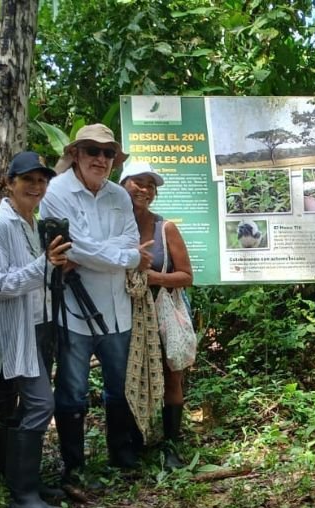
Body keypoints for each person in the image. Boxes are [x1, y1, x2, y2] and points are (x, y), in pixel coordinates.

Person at [40, 124, 153, 489]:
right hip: (73, 307)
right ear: (76, 154)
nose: (100, 159)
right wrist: (123, 257)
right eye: (92, 151)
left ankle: (121, 453)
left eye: (107, 154)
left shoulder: (119, 195)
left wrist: (102, 252)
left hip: (117, 307)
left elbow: (128, 240)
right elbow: (71, 247)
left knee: (118, 387)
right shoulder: (55, 192)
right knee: (72, 390)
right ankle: (73, 466)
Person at [0, 151, 71, 508]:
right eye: (28, 179)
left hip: (36, 325)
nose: (36, 186)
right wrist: (44, 264)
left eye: (42, 180)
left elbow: (37, 275)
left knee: (27, 406)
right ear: (9, 183)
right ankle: (23, 494)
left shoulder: (32, 220)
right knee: (40, 404)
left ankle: (24, 481)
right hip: (12, 329)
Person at [121, 162, 194, 469]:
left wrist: (152, 277)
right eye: (139, 182)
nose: (145, 190)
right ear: (122, 185)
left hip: (160, 311)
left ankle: (171, 445)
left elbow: (186, 276)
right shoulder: (113, 225)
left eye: (151, 185)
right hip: (123, 313)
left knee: (170, 374)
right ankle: (132, 444)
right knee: (128, 376)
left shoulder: (165, 229)